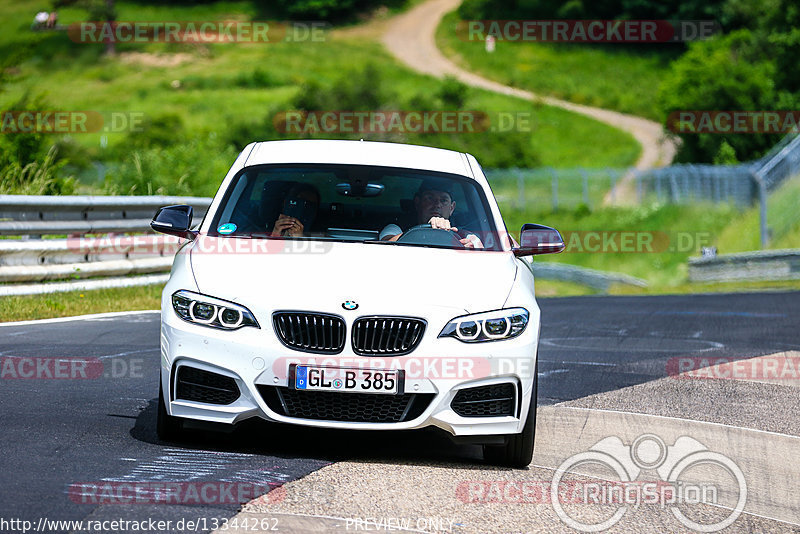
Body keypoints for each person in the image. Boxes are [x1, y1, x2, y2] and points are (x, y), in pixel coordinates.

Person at [380, 179, 484, 248]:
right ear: (417, 203)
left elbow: (478, 247)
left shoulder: (462, 234)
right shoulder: (396, 228)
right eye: (430, 198)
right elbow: (385, 243)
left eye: (443, 200)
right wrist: (429, 229)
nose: (437, 205)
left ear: (452, 208)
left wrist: (471, 245)